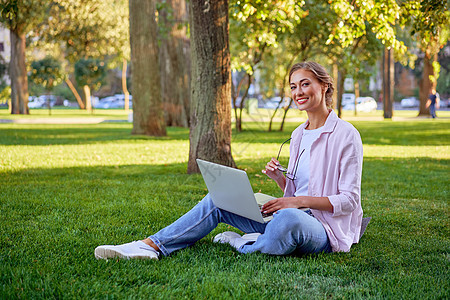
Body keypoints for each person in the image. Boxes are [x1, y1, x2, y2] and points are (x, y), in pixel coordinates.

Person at [94, 61, 364, 260]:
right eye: (294, 86)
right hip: (291, 212)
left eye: (305, 84)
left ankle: (241, 243)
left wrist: (295, 202)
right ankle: (152, 245)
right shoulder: (297, 135)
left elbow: (349, 200)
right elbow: (294, 193)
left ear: (324, 86)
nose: (298, 92)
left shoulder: (346, 135)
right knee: (218, 200)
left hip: (322, 229)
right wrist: (281, 181)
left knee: (288, 221)